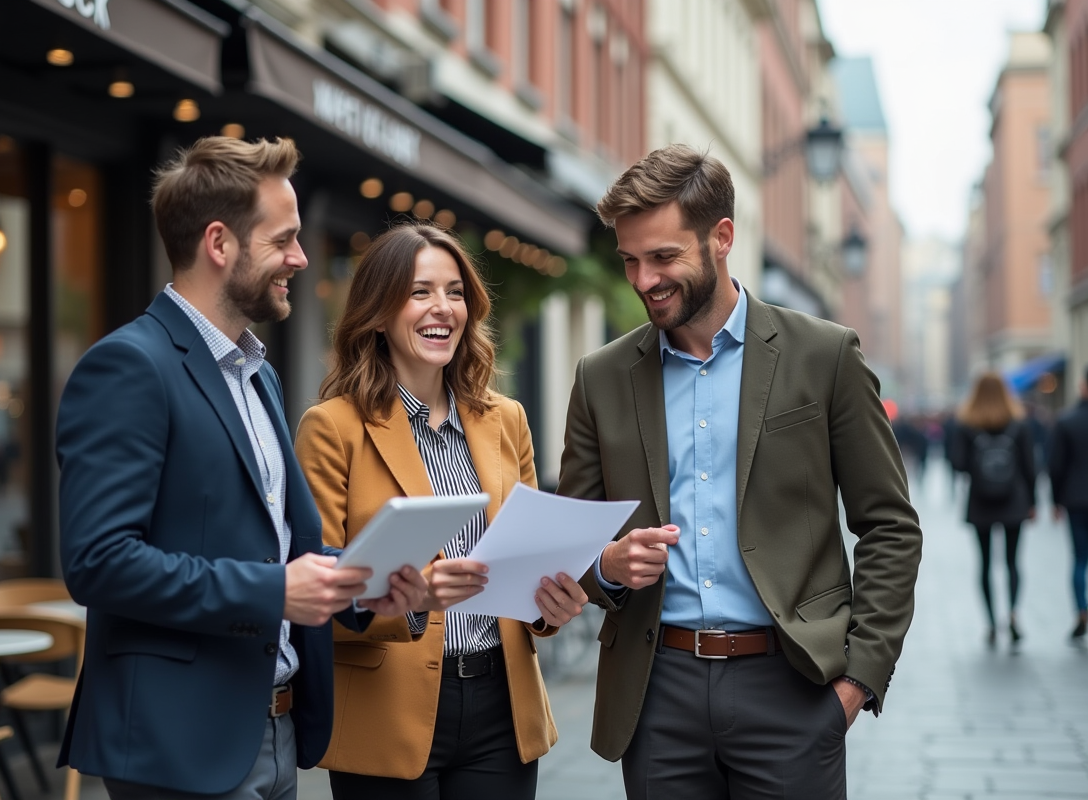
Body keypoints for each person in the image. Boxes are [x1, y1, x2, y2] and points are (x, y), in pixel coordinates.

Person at [55, 137, 426, 800]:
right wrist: (273, 592)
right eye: (283, 240)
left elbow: (276, 547)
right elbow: (99, 563)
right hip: (178, 744)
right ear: (219, 243)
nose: (301, 258)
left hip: (275, 731)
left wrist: (363, 584)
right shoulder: (129, 366)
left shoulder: (258, 376)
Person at [555, 144, 923, 799]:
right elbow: (572, 543)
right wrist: (607, 565)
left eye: (663, 257)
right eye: (630, 260)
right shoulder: (600, 378)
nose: (643, 279)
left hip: (791, 688)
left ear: (721, 237)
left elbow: (890, 525)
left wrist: (857, 681)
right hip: (657, 694)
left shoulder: (825, 356)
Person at [294, 222, 589, 800]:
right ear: (378, 313)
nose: (443, 308)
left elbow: (529, 562)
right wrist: (413, 599)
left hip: (502, 708)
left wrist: (550, 605)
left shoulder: (506, 419)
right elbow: (313, 599)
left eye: (455, 292)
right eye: (419, 291)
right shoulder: (332, 428)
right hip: (385, 714)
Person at [949, 372, 1037, 646]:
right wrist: (1033, 502)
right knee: (1012, 562)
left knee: (985, 564)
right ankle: (1012, 615)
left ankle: (990, 624)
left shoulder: (967, 425)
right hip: (1014, 500)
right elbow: (1030, 467)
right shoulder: (1018, 424)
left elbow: (958, 463)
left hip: (980, 501)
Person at [1048, 366, 1088, 640]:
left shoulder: (1066, 421)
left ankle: (1081, 611)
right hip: (1075, 498)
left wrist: (1055, 501)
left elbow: (1055, 466)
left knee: (1080, 558)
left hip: (1076, 499)